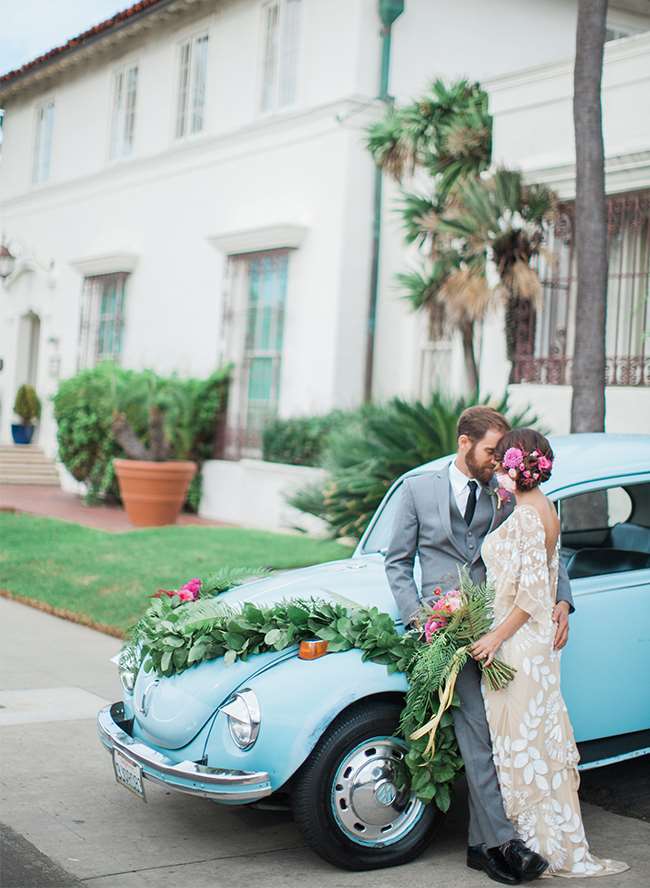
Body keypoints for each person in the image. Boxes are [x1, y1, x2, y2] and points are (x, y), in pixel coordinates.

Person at [384, 406, 575, 884]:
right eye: (492, 450)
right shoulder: (417, 490)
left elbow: (541, 547)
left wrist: (562, 600)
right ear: (464, 442)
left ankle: (481, 845)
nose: (498, 460)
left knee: (496, 735)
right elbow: (397, 562)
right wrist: (419, 619)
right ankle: (503, 842)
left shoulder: (506, 492)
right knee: (478, 731)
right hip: (446, 630)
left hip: (500, 628)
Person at [471, 429, 629, 878]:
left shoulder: (525, 517)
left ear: (512, 464)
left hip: (517, 644)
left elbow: (530, 597)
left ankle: (538, 847)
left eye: (502, 461)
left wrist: (494, 637)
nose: (498, 468)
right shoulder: (542, 509)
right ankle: (548, 844)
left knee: (520, 745)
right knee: (536, 745)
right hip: (534, 644)